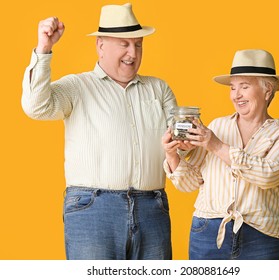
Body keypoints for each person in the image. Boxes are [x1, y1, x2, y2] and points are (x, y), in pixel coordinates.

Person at [22, 3, 177, 260]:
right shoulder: (77, 86)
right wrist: (44, 49)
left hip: (152, 207)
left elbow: (179, 138)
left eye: (138, 44)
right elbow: (36, 107)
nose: (133, 52)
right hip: (93, 209)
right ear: (101, 45)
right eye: (124, 44)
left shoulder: (158, 89)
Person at [162, 49, 279, 260]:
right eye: (233, 88)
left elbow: (269, 175)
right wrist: (173, 155)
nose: (236, 95)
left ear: (267, 90)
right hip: (207, 232)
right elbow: (190, 184)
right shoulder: (216, 126)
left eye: (244, 87)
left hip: (261, 236)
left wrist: (216, 146)